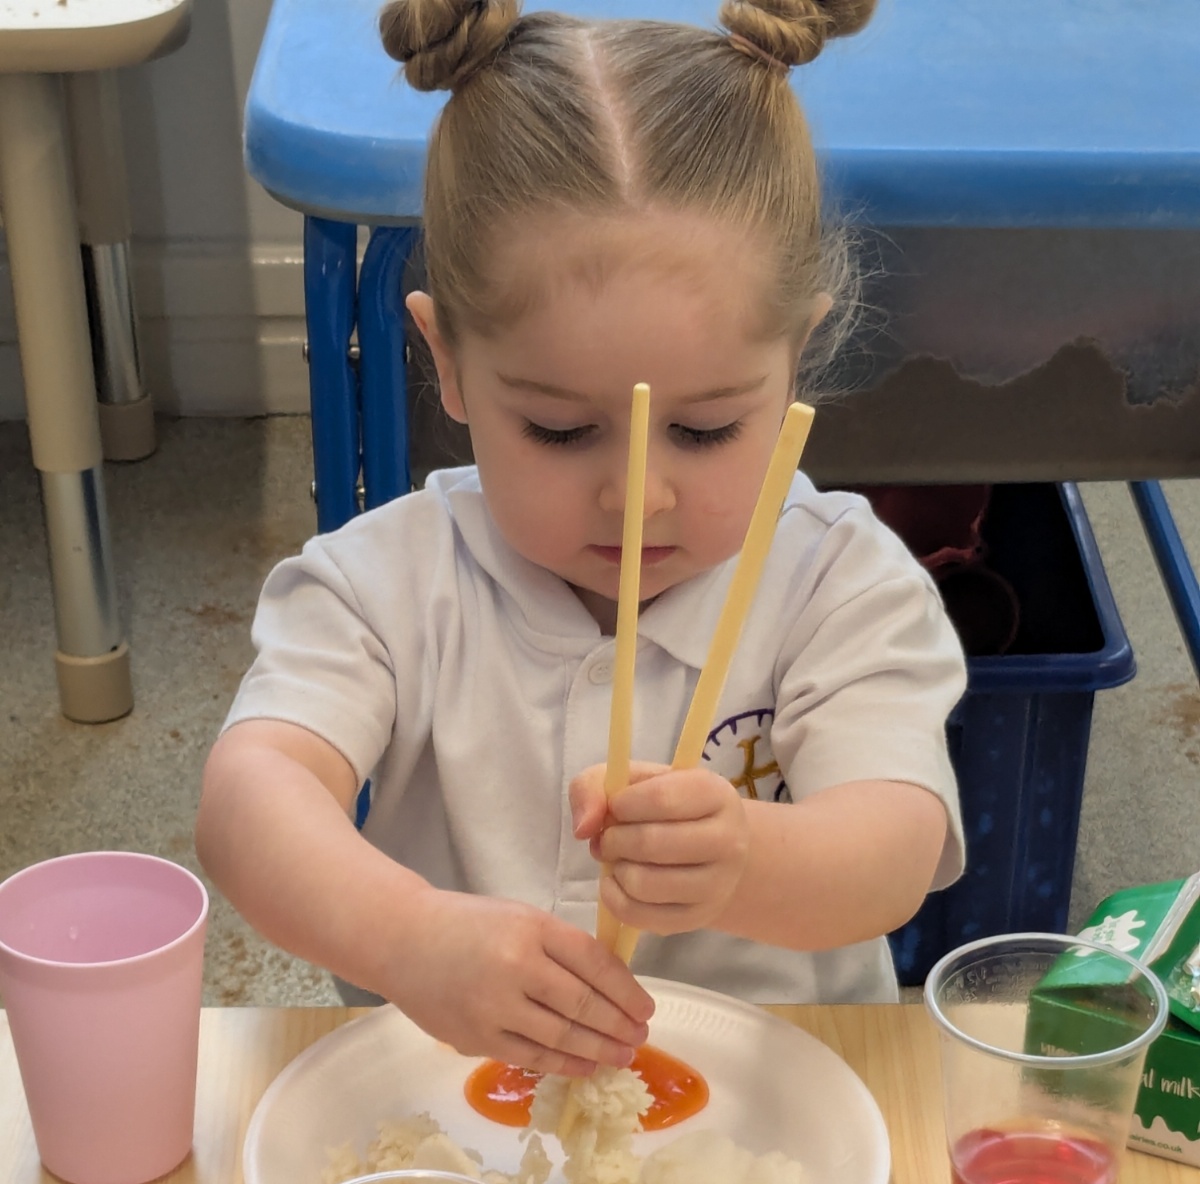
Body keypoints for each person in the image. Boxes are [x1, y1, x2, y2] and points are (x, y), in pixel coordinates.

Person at [195, 0, 967, 1078]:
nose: (637, 498)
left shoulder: (839, 582)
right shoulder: (386, 584)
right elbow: (250, 799)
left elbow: (897, 846)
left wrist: (747, 859)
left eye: (704, 430)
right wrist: (407, 936)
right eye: (560, 431)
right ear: (448, 362)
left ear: (796, 359)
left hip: (781, 1101)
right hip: (457, 1107)